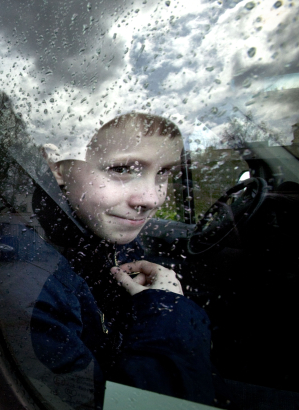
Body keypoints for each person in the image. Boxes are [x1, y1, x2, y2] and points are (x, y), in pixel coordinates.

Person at [30, 113, 220, 408]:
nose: (152, 198)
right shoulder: (33, 285)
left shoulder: (101, 235)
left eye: (164, 173)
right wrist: (166, 311)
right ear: (58, 168)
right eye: (121, 168)